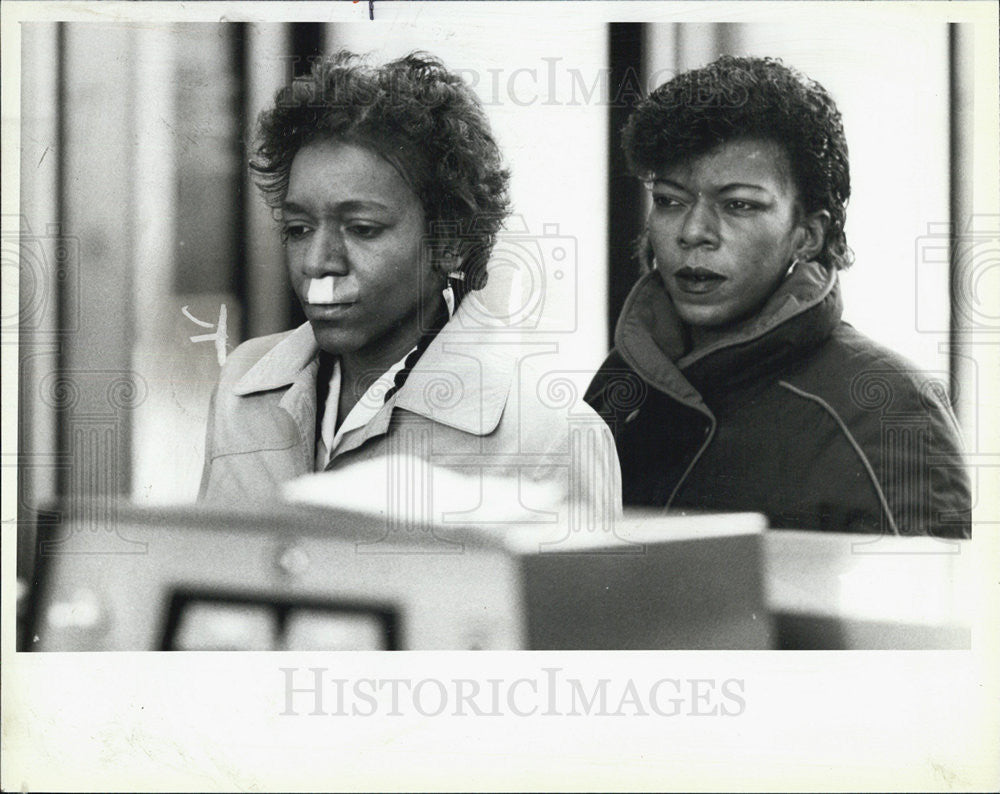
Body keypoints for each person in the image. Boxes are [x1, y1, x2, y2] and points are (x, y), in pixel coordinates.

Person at [199, 52, 620, 531]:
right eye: (298, 228)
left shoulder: (551, 434)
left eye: (361, 228)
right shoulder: (243, 384)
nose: (317, 262)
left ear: (451, 241)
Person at [585, 55, 970, 537]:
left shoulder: (891, 408)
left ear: (807, 235)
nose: (693, 231)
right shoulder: (621, 379)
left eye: (740, 204)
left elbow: (930, 608)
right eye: (669, 200)